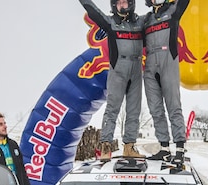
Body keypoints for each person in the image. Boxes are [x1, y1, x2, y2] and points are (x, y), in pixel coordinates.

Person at [79, 0, 145, 161]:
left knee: (134, 110)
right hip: (118, 69)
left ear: (131, 4)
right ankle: (105, 145)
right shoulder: (110, 23)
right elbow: (93, 11)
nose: (122, 7)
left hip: (136, 68)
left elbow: (161, 17)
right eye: (119, 3)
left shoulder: (141, 22)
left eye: (125, 3)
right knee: (112, 108)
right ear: (114, 6)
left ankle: (129, 146)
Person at [143, 0, 189, 165]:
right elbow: (128, 30)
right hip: (149, 64)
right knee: (155, 109)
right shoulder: (146, 19)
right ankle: (164, 148)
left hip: (168, 59)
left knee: (173, 106)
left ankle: (180, 149)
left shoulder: (173, 10)